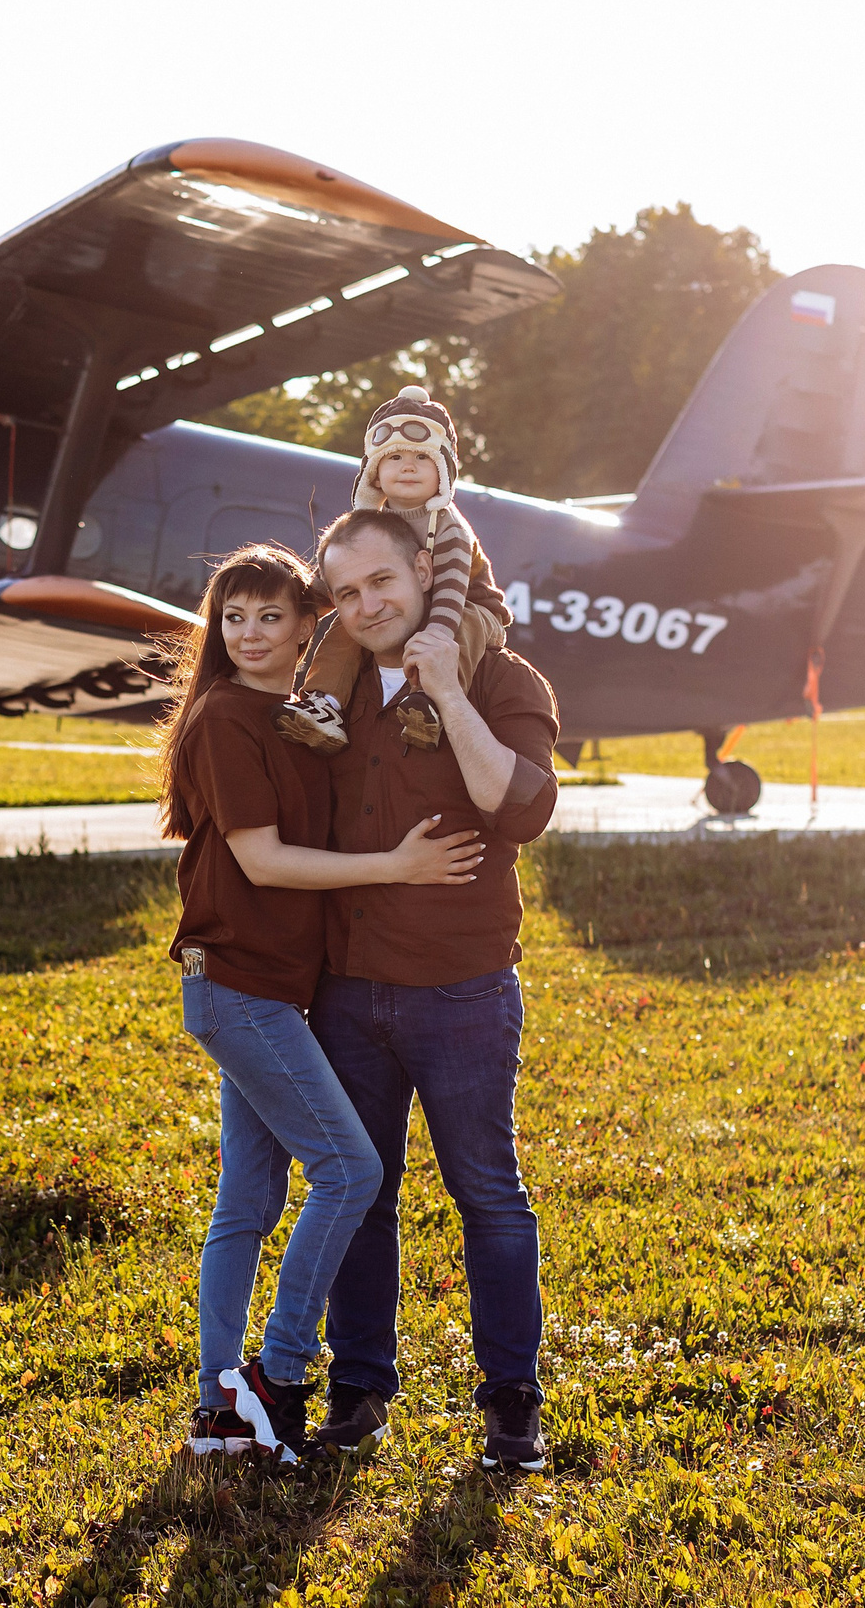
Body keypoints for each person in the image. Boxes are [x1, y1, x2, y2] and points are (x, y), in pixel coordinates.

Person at [158, 541, 488, 1464]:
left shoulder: (301, 716)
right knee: (350, 1171)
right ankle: (276, 1369)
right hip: (235, 987)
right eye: (233, 617)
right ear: (216, 631)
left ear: (312, 627)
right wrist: (397, 866)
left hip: (272, 989)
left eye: (272, 616)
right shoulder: (226, 716)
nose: (251, 633)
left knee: (249, 1200)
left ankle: (218, 1409)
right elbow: (261, 860)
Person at [300, 507, 563, 1472]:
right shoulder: (324, 693)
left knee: (488, 1194)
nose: (368, 605)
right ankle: (360, 1389)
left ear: (423, 567)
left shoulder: (502, 673)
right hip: (345, 996)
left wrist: (450, 694)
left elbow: (521, 807)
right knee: (360, 1195)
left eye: (382, 582)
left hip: (460, 991)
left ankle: (511, 1403)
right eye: (346, 593)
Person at [277, 384, 508, 755]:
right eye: (394, 457)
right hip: (411, 608)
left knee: (463, 628)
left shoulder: (450, 530)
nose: (408, 466)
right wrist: (295, 612)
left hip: (468, 608)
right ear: (374, 473)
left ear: (445, 471)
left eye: (422, 457)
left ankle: (429, 703)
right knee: (346, 625)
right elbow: (329, 587)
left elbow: (449, 594)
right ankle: (324, 704)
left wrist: (433, 638)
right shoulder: (372, 526)